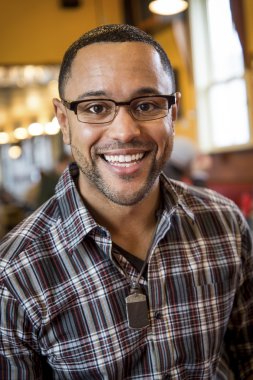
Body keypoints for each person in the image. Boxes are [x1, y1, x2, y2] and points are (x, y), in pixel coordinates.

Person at [0, 24, 252, 380]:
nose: (125, 131)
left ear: (173, 113)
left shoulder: (225, 224)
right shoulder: (14, 275)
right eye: (97, 107)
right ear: (64, 120)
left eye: (147, 105)